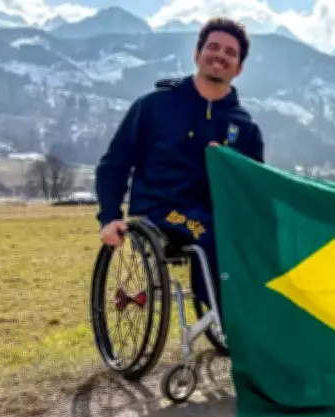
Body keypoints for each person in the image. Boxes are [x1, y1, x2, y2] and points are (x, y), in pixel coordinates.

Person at [94, 17, 265, 321]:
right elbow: (116, 161)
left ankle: (272, 318)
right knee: (210, 232)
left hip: (217, 210)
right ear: (197, 55)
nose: (220, 55)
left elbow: (255, 183)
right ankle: (236, 324)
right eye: (213, 47)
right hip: (162, 207)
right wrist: (109, 216)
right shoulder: (154, 106)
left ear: (239, 68)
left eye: (230, 52)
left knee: (264, 239)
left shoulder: (244, 124)